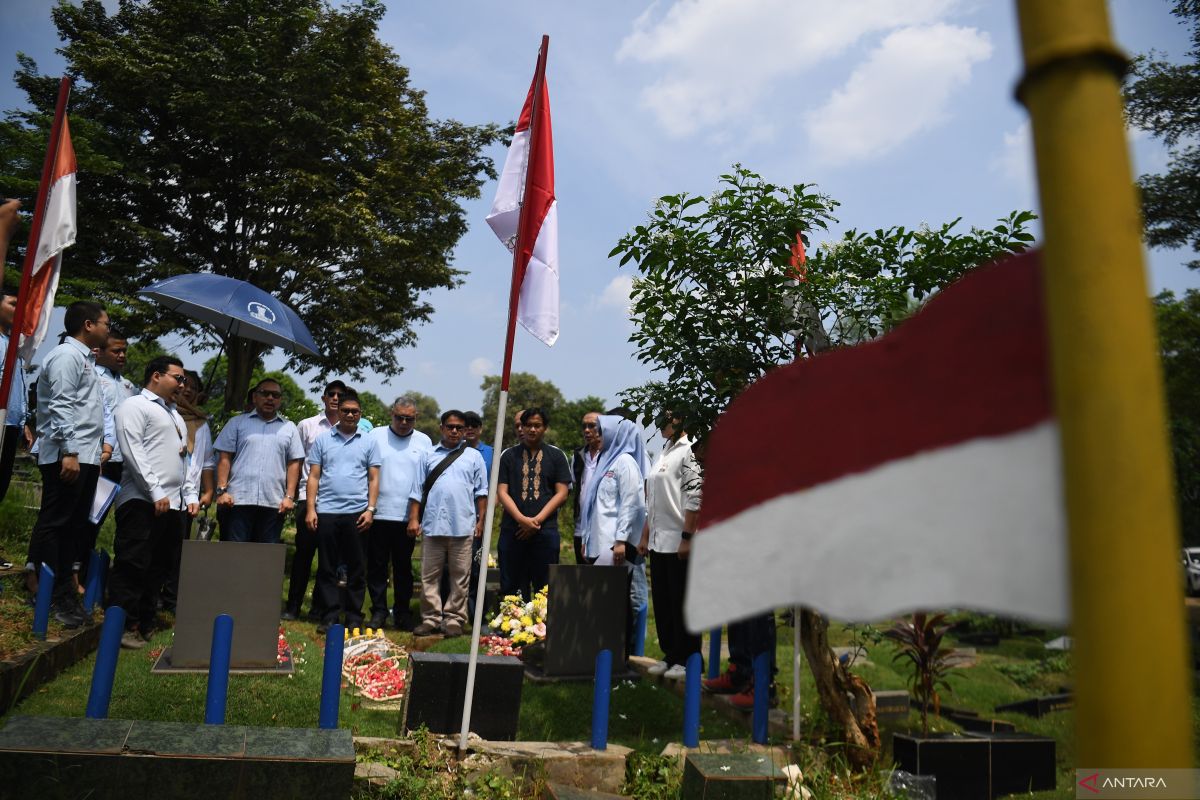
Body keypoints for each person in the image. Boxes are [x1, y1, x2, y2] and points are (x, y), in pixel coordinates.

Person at [26, 301, 109, 626]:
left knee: (74, 526)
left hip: (84, 456)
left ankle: (64, 592)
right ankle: (51, 595)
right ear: (88, 325)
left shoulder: (84, 359)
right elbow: (61, 405)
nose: (108, 328)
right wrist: (70, 452)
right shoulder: (66, 356)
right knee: (56, 524)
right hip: (67, 455)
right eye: (105, 322)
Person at [108, 356, 197, 648]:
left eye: (184, 380)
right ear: (156, 376)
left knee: (160, 565)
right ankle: (123, 624)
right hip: (141, 500)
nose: (182, 385)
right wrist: (155, 490)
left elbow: (184, 460)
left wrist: (189, 494)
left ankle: (145, 619)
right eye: (178, 378)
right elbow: (134, 451)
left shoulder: (175, 416)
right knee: (133, 561)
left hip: (173, 504)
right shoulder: (135, 406)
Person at [286, 379, 371, 620]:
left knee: (341, 562)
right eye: (331, 394)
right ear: (324, 398)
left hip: (348, 507)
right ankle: (294, 607)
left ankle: (325, 610)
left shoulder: (364, 434)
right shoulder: (309, 426)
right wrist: (298, 499)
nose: (335, 398)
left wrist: (369, 507)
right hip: (311, 501)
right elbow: (299, 462)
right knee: (306, 557)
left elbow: (370, 474)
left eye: (340, 395)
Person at [305, 389, 380, 633]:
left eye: (354, 411)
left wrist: (370, 509)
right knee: (326, 567)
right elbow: (313, 476)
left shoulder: (369, 441)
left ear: (360, 414)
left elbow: (373, 478)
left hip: (357, 512)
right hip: (326, 510)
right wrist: (310, 509)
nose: (349, 414)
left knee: (357, 567)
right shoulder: (324, 440)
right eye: (345, 410)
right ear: (338, 412)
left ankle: (354, 616)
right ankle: (329, 616)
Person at [407, 410, 487, 637]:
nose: (454, 431)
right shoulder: (427, 455)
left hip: (463, 525)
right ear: (441, 427)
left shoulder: (473, 456)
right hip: (432, 525)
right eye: (450, 427)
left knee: (460, 576)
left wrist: (481, 521)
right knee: (429, 577)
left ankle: (454, 619)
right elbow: (416, 490)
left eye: (459, 428)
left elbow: (482, 492)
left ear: (465, 431)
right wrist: (413, 518)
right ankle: (431, 618)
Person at [576, 414, 648, 657]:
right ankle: (604, 653)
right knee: (604, 602)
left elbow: (633, 505)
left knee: (615, 603)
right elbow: (593, 509)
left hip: (615, 546)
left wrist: (620, 541)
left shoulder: (626, 462)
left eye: (601, 429)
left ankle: (620, 657)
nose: (597, 434)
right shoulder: (607, 461)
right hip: (600, 543)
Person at [639, 412, 703, 681]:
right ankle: (671, 654)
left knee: (682, 602)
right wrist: (645, 536)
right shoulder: (663, 451)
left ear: (681, 419)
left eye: (666, 417)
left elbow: (695, 494)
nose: (660, 423)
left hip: (680, 539)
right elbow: (652, 498)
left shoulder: (690, 450)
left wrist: (688, 536)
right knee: (664, 601)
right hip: (659, 541)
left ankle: (688, 657)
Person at [365, 396, 431, 630]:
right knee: (377, 566)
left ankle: (402, 612)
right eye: (399, 417)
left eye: (409, 418)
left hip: (407, 517)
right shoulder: (375, 436)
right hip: (378, 513)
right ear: (391, 414)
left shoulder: (424, 441)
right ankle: (379, 611)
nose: (403, 422)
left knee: (403, 568)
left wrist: (419, 516)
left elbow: (426, 481)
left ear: (416, 418)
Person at [213, 378, 304, 543]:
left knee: (265, 559)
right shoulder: (237, 423)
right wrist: (221, 491)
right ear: (255, 397)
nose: (270, 398)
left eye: (275, 395)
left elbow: (294, 464)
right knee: (235, 555)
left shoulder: (289, 427)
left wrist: (289, 497)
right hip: (237, 501)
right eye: (265, 393)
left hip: (274, 503)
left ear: (280, 400)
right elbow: (224, 457)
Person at [79, 330, 136, 588]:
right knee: (88, 520)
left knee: (121, 524)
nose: (122, 355)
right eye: (116, 351)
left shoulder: (128, 386)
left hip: (122, 462)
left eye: (124, 351)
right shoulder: (91, 376)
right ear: (99, 351)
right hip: (98, 459)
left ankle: (103, 580)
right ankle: (75, 573)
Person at [496, 407, 571, 601]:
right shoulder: (508, 456)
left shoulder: (556, 456)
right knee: (511, 586)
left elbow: (562, 493)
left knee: (545, 587)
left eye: (537, 425)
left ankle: (543, 629)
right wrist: (521, 519)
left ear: (545, 428)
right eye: (527, 425)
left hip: (545, 530)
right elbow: (501, 492)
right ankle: (511, 628)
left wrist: (536, 521)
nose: (531, 429)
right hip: (513, 529)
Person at [160, 370, 216, 611]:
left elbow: (205, 460)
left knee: (177, 549)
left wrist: (208, 489)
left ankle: (171, 597)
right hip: (161, 491)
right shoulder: (165, 414)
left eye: (194, 386)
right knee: (156, 546)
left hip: (187, 495)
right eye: (184, 383)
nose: (188, 389)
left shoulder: (201, 423)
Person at [0, 292, 31, 502]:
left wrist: (23, 421)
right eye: (12, 304)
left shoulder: (13, 345)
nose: (18, 309)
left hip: (11, 426)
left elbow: (16, 388)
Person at [571, 411, 603, 564]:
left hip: (603, 530)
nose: (587, 430)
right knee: (583, 580)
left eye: (592, 426)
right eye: (584, 426)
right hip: (580, 529)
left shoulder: (611, 455)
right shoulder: (578, 456)